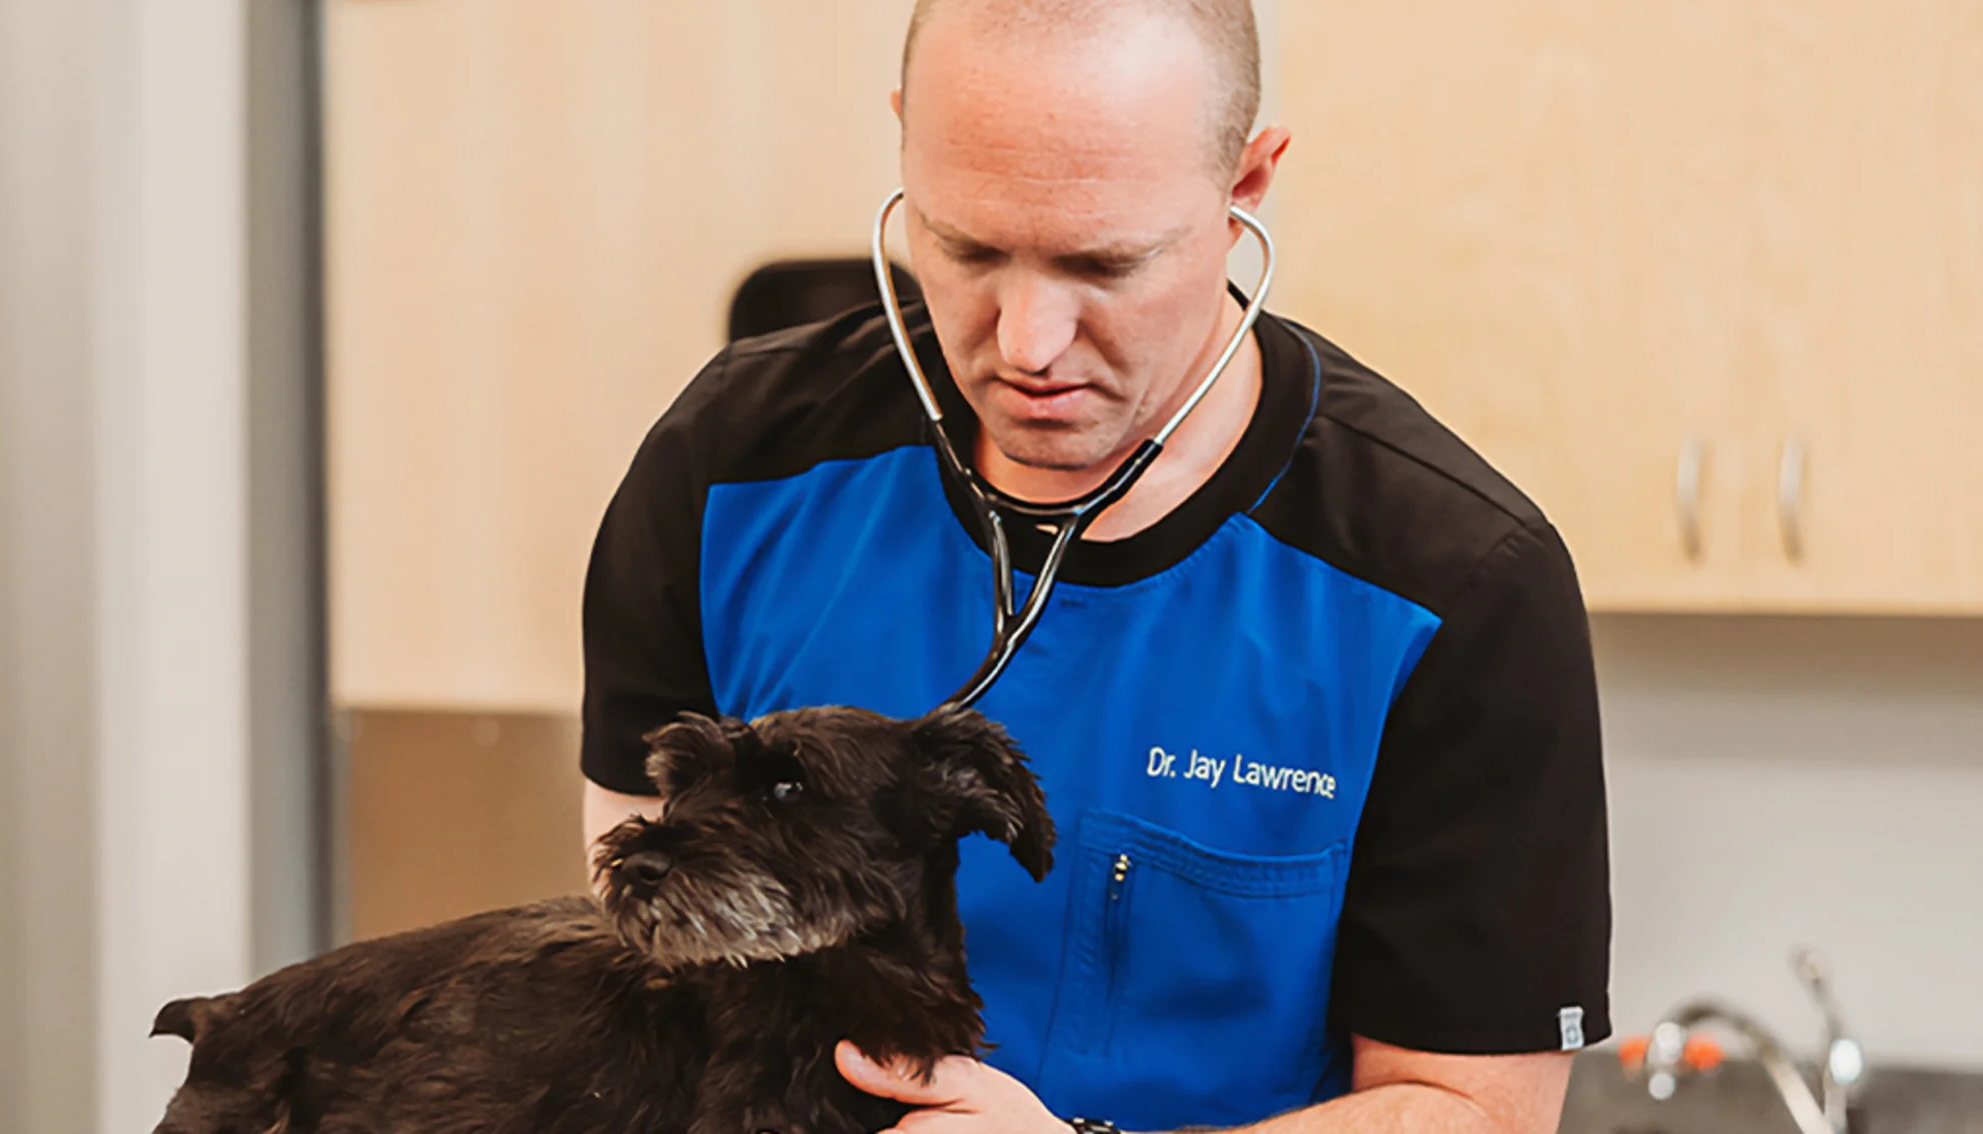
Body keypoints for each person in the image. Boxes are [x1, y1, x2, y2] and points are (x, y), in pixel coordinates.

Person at [575, 1, 1612, 1130]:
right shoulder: (732, 467)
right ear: (904, 142)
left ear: (1246, 187)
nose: (1025, 342)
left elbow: (1473, 1111)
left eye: (1104, 263)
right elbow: (646, 946)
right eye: (966, 246)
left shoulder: (1451, 587)